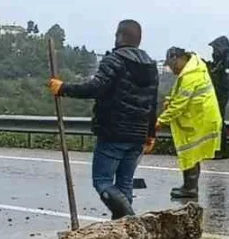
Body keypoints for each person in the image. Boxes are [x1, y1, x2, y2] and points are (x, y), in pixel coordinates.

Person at [49, 20, 159, 219]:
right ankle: (124, 234)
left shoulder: (114, 60)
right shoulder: (151, 66)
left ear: (119, 36)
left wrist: (63, 88)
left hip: (114, 131)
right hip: (137, 135)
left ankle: (131, 221)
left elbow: (96, 88)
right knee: (124, 183)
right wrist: (150, 134)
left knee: (102, 181)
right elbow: (153, 102)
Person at [158, 47, 222, 199]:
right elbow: (179, 95)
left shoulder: (190, 75)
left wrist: (160, 121)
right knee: (193, 153)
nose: (171, 69)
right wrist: (170, 101)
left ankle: (190, 188)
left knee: (190, 152)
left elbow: (180, 104)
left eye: (172, 65)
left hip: (200, 119)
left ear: (177, 59)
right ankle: (190, 186)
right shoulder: (192, 70)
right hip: (200, 117)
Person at [204, 36, 229, 158]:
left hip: (221, 95)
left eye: (216, 49)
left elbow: (224, 83)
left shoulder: (227, 62)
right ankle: (215, 149)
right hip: (214, 95)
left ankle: (220, 150)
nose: (214, 52)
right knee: (215, 121)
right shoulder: (219, 62)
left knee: (219, 121)